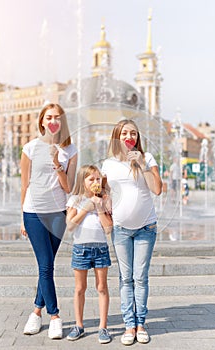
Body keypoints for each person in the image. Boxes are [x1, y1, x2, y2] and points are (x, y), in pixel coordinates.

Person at [101, 119, 162, 346]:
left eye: (134, 133)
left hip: (147, 227)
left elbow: (157, 189)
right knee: (125, 278)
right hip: (121, 230)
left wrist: (142, 165)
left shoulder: (147, 159)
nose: (130, 137)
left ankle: (141, 324)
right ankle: (129, 324)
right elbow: (103, 193)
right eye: (125, 133)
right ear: (117, 136)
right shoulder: (108, 164)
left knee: (140, 277)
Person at [20, 103, 77, 339]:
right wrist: (21, 218)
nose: (53, 121)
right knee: (45, 265)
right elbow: (24, 184)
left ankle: (35, 312)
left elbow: (69, 187)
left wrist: (57, 162)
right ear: (42, 121)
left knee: (47, 265)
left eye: (58, 117)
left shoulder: (70, 150)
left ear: (62, 122)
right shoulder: (30, 148)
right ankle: (54, 316)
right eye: (49, 117)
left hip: (58, 214)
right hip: (33, 212)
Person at [66, 165, 113, 344]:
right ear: (83, 181)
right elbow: (70, 226)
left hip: (100, 248)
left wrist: (99, 206)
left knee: (101, 287)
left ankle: (103, 327)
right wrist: (86, 208)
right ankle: (79, 325)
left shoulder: (105, 200)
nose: (95, 182)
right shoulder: (75, 200)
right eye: (91, 179)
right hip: (81, 248)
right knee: (80, 288)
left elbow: (108, 229)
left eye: (98, 179)